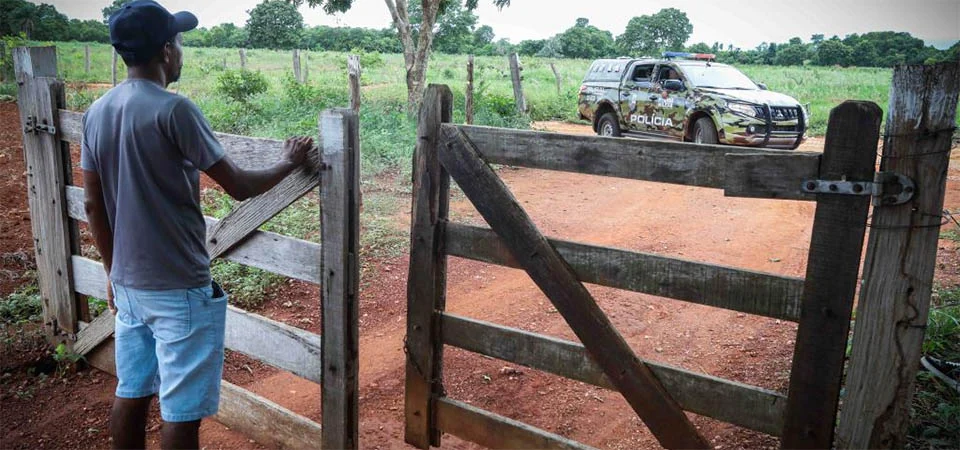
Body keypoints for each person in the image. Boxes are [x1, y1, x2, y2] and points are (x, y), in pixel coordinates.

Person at [81, 1, 314, 448]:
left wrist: (112, 272)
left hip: (128, 285)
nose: (181, 52)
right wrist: (287, 161)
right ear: (166, 51)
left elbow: (94, 205)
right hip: (178, 288)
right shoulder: (175, 111)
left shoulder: (98, 112)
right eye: (179, 42)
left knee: (131, 390)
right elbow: (240, 185)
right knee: (181, 412)